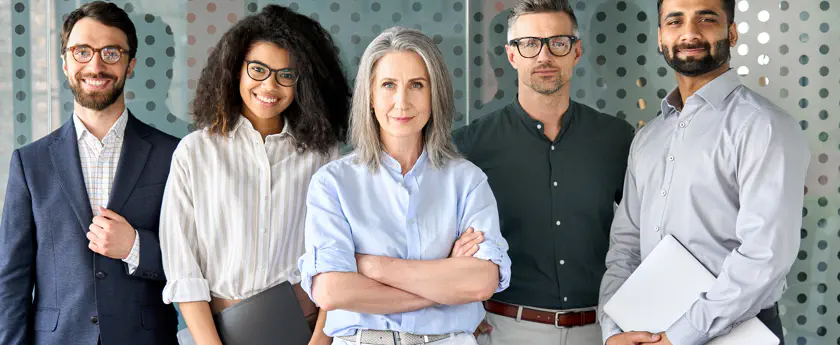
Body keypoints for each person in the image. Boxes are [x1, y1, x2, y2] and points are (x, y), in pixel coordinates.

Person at [599, 0, 810, 344]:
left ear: (732, 32)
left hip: (738, 332)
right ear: (660, 37)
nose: (689, 33)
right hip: (650, 329)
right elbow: (625, 247)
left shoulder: (764, 127)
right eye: (675, 21)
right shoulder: (647, 139)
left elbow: (764, 256)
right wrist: (614, 329)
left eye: (706, 19)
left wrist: (680, 335)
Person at [298, 27, 512, 345]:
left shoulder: (468, 181)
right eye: (388, 85)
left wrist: (371, 267)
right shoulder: (332, 184)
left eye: (416, 85)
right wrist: (445, 281)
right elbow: (331, 291)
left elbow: (481, 283)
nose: (402, 101)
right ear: (369, 96)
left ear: (434, 93)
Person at [158, 5, 349, 345]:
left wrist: (321, 342)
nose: (270, 85)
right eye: (258, 69)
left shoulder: (323, 155)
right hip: (213, 334)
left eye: (286, 75)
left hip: (302, 331)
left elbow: (337, 258)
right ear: (235, 70)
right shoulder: (194, 153)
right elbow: (183, 269)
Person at [453, 1, 634, 344]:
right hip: (505, 329)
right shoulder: (470, 147)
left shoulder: (617, 139)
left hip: (601, 330)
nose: (544, 56)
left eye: (558, 43)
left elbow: (643, 235)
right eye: (530, 44)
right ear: (512, 55)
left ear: (576, 51)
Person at [0, 2, 180, 344]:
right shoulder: (29, 162)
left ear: (130, 65)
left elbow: (197, 262)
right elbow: (11, 280)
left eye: (111, 52)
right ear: (65, 63)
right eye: (82, 51)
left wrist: (135, 247)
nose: (95, 65)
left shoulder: (173, 154)